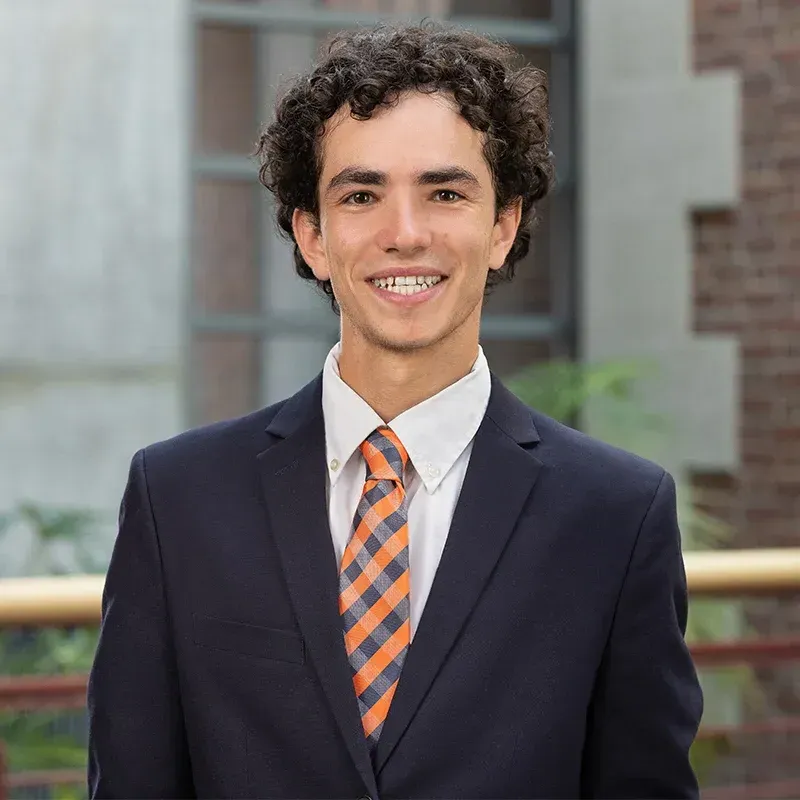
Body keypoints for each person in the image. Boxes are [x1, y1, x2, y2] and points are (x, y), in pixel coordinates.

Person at [87, 22, 703, 800]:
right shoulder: (176, 500)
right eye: (361, 194)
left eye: (445, 193)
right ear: (311, 234)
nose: (404, 234)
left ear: (502, 227)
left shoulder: (617, 516)